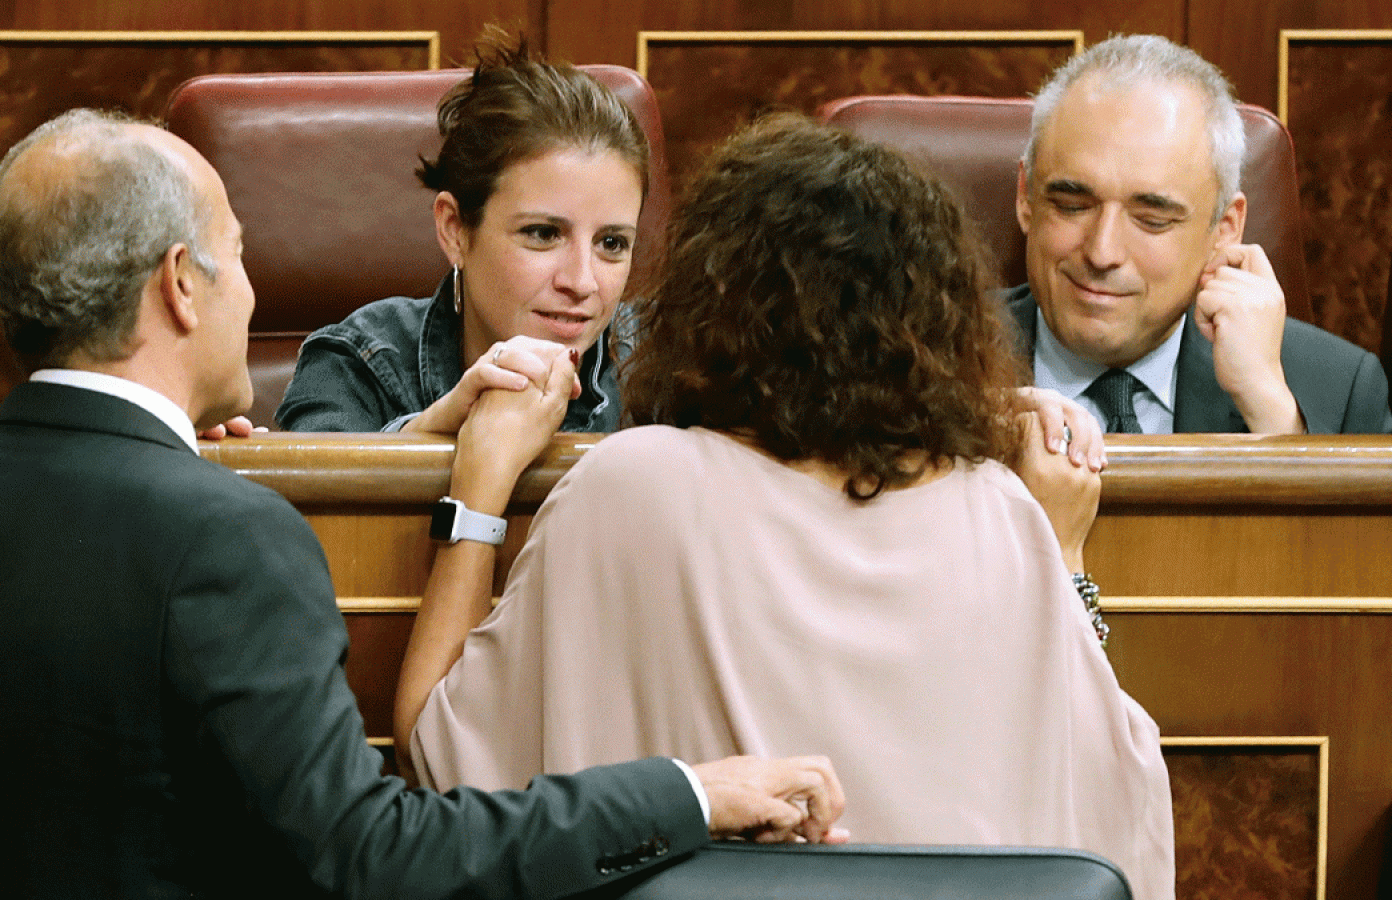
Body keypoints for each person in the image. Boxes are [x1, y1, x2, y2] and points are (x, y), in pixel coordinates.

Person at [0, 109, 847, 899]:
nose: (254, 291)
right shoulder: (227, 536)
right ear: (183, 284)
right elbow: (374, 859)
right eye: (242, 251)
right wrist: (687, 793)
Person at [396, 115, 1175, 900]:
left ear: (712, 300)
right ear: (935, 321)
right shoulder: (1003, 510)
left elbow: (439, 763)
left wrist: (480, 487)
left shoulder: (632, 486)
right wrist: (1065, 553)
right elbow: (1123, 810)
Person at [1011, 33, 1392, 434]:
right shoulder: (941, 363)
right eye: (1072, 205)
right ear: (1026, 199)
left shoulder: (1341, 389)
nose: (1102, 252)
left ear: (1224, 230)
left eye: (1152, 220)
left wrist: (1269, 409)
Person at [275, 33, 641, 435]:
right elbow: (313, 492)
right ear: (455, 231)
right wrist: (433, 431)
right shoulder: (358, 361)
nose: (581, 282)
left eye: (611, 243)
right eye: (542, 234)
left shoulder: (668, 361)